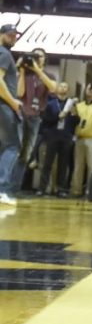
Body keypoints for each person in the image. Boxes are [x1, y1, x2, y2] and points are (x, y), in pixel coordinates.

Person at [10, 48, 56, 196]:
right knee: (15, 150)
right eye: (33, 56)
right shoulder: (25, 73)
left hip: (35, 117)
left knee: (26, 154)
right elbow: (19, 93)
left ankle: (14, 188)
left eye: (39, 56)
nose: (36, 58)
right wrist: (23, 71)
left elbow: (53, 88)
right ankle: (5, 186)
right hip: (21, 114)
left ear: (44, 59)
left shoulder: (48, 75)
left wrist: (37, 69)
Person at [0, 24, 24, 206]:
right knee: (13, 147)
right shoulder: (4, 54)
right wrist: (12, 102)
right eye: (10, 35)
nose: (13, 38)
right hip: (4, 106)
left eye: (15, 35)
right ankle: (2, 189)